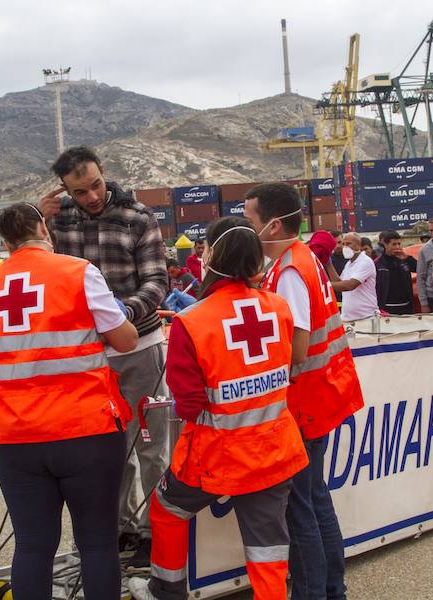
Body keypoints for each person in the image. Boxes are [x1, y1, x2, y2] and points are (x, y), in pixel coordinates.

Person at [128, 217, 308, 600]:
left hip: (216, 456)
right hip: (275, 450)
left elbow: (191, 405)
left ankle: (166, 590)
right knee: (268, 548)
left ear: (214, 256)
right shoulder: (279, 307)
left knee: (166, 510)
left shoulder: (191, 321)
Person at [0, 203, 139, 599]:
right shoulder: (79, 272)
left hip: (15, 438)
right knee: (96, 542)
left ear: (6, 242)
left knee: (33, 545)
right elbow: (126, 340)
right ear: (44, 228)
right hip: (85, 429)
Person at [38, 146, 168, 566]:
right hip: (88, 356)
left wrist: (119, 318)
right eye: (80, 191)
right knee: (107, 450)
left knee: (150, 447)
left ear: (103, 174)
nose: (92, 196)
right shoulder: (58, 221)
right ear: (65, 190)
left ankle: (155, 531)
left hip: (140, 348)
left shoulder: (138, 217)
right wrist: (40, 223)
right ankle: (121, 529)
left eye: (95, 185)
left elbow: (156, 282)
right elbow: (39, 270)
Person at [244, 182, 364, 600]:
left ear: (272, 224)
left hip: (304, 405)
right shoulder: (301, 259)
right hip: (319, 395)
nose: (247, 227)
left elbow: (294, 347)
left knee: (300, 509)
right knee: (315, 499)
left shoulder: (291, 271)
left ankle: (313, 593)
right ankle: (333, 589)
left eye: (250, 220)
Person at [328, 232, 379, 321]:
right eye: (343, 244)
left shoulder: (365, 261)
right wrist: (328, 263)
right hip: (348, 318)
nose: (345, 247)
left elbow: (349, 285)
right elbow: (339, 282)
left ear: (359, 246)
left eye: (348, 244)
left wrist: (325, 285)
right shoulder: (349, 264)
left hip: (366, 317)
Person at [375, 230, 417, 315]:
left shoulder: (404, 259)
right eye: (394, 244)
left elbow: (419, 269)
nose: (397, 247)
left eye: (399, 244)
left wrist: (407, 258)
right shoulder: (378, 263)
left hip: (406, 306)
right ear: (386, 245)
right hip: (387, 307)